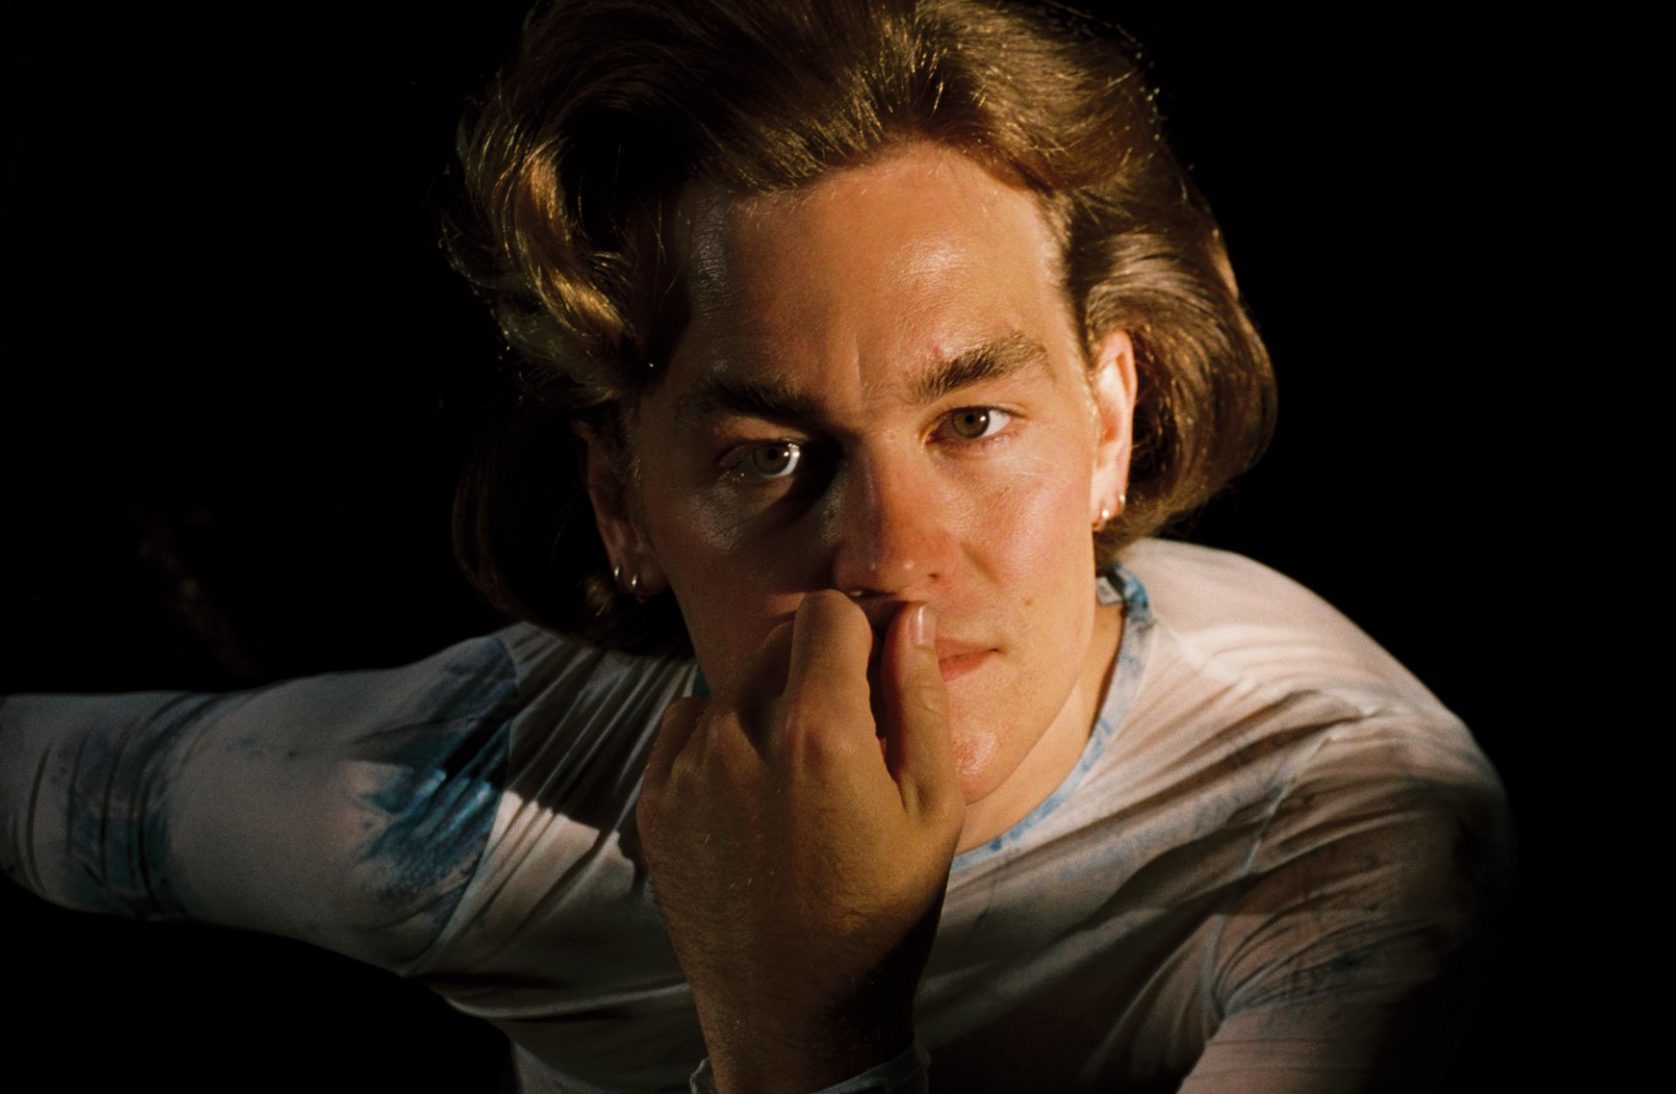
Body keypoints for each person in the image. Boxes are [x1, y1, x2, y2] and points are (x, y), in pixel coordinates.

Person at [0, 1, 1510, 1091]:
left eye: (974, 421)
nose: (893, 555)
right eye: (770, 457)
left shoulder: (1350, 842)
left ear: (1109, 418)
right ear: (624, 509)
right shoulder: (461, 821)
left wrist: (805, 1034)